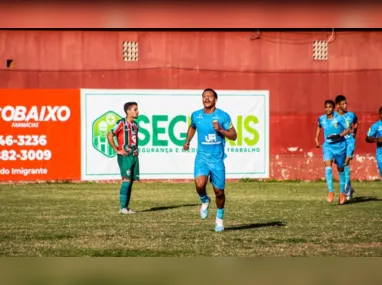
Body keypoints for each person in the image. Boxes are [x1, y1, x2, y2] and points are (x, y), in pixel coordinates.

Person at [183, 88, 237, 232]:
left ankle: (219, 220)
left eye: (210, 97)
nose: (206, 99)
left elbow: (234, 135)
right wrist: (187, 140)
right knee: (199, 184)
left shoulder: (223, 116)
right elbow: (192, 127)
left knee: (219, 192)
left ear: (215, 99)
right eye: (204, 97)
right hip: (202, 157)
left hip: (217, 160)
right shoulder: (196, 115)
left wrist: (221, 130)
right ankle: (205, 200)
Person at [315, 100, 351, 205]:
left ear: (333, 108)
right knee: (328, 167)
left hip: (340, 147)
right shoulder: (321, 118)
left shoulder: (339, 118)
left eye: (330, 107)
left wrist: (339, 135)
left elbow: (348, 129)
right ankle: (330, 191)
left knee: (340, 168)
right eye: (326, 107)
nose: (327, 109)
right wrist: (316, 138)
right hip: (328, 146)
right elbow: (319, 126)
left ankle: (342, 193)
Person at [107, 102, 140, 214]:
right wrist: (117, 149)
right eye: (135, 109)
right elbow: (110, 135)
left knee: (130, 181)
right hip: (125, 155)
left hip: (134, 155)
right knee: (126, 180)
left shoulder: (136, 125)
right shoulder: (121, 123)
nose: (137, 111)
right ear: (128, 111)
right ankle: (122, 208)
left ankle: (126, 207)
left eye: (137, 109)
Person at [334, 95, 358, 200]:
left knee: (346, 162)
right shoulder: (334, 116)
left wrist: (354, 133)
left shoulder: (351, 115)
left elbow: (356, 122)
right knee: (341, 166)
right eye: (343, 103)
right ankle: (348, 186)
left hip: (350, 142)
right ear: (338, 105)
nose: (345, 105)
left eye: (346, 103)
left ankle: (346, 190)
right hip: (339, 143)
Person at [365, 106, 382, 181]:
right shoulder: (376, 126)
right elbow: (367, 138)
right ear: (380, 114)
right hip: (380, 151)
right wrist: (376, 139)